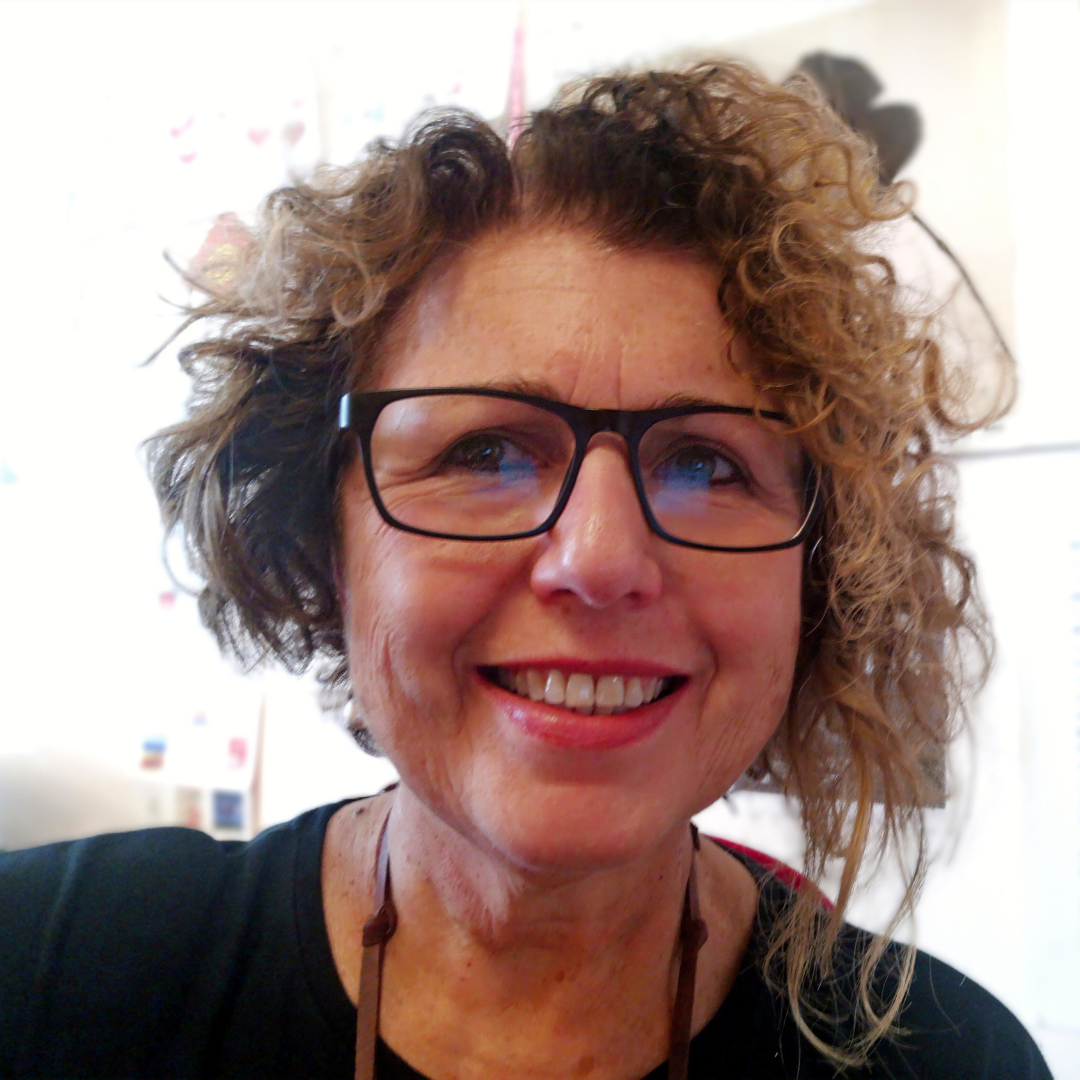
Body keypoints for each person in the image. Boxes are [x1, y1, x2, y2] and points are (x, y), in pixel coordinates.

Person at [0, 64, 1051, 1079]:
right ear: (323, 538)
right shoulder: (44, 973)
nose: (600, 559)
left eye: (704, 464)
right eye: (485, 453)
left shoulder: (955, 1063)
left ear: (821, 580)